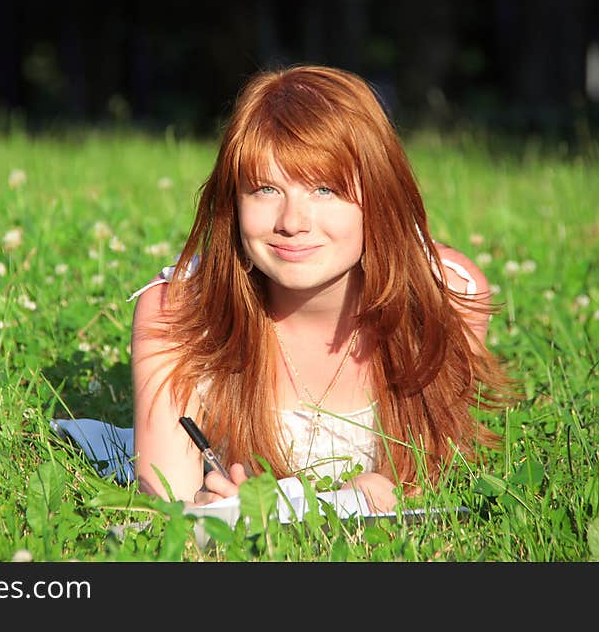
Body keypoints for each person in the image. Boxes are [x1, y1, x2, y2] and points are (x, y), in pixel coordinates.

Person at [129, 64, 515, 513]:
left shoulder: (444, 295)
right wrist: (217, 506)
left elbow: (441, 473)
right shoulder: (179, 311)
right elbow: (163, 507)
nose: (292, 223)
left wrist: (338, 501)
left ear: (379, 193)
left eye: (325, 190)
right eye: (266, 189)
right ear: (233, 202)